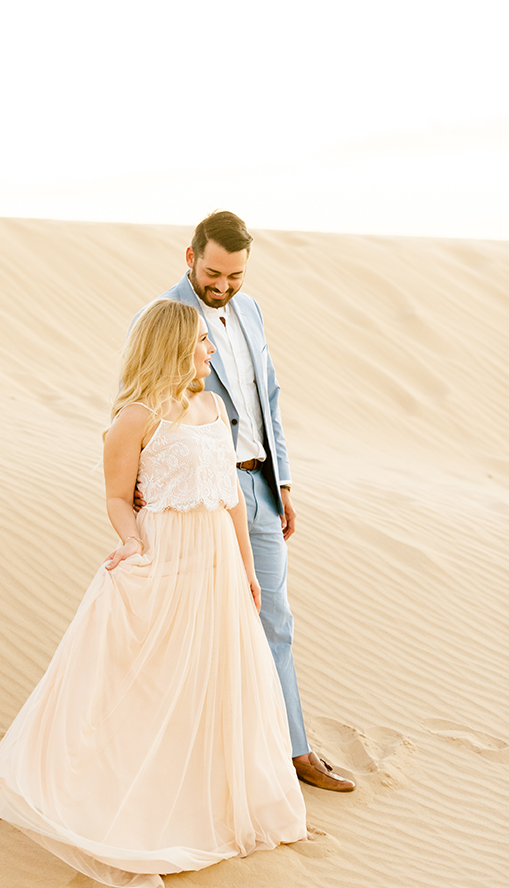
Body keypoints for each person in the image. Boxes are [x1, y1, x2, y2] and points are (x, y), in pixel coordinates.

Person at [0, 300, 308, 888]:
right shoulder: (136, 417)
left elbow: (229, 494)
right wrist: (131, 543)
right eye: (203, 341)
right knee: (150, 681)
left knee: (212, 678)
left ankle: (211, 794)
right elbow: (115, 497)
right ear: (175, 345)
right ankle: (125, 798)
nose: (210, 351)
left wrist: (248, 568)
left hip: (217, 565)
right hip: (165, 558)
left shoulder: (211, 405)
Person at [144, 211, 355, 792]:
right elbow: (134, 401)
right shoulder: (164, 316)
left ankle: (292, 752)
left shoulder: (252, 310)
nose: (224, 285)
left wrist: (282, 482)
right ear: (189, 257)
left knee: (275, 623)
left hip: (259, 490)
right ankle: (196, 763)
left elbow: (270, 399)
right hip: (201, 499)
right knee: (201, 629)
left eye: (235, 276)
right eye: (214, 272)